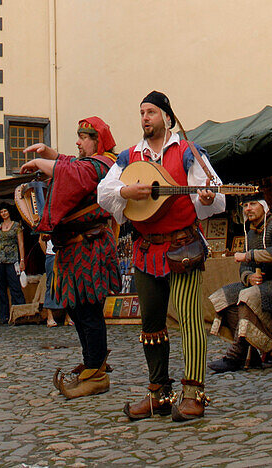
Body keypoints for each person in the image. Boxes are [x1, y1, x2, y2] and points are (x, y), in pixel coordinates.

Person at [98, 91, 225, 422]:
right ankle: (158, 394)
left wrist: (208, 199)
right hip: (145, 249)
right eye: (141, 112)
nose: (145, 118)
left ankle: (194, 394)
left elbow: (212, 193)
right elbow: (104, 192)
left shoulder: (186, 151)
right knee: (151, 323)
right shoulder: (130, 155)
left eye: (151, 112)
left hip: (182, 247)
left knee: (188, 319)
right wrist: (126, 192)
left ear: (167, 117)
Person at [21, 116, 121, 398]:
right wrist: (51, 155)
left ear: (97, 141)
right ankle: (92, 364)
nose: (78, 141)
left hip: (89, 248)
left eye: (83, 137)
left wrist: (44, 164)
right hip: (73, 249)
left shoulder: (106, 164)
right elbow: (73, 166)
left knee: (88, 309)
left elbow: (78, 174)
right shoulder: (89, 163)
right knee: (77, 309)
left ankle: (96, 372)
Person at [209, 196, 272, 372]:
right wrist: (249, 277)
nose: (248, 209)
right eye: (245, 205)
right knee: (225, 295)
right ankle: (250, 351)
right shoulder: (251, 232)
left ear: (264, 206)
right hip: (263, 283)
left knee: (248, 296)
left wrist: (248, 255)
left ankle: (236, 354)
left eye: (253, 204)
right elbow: (245, 268)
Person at [0, 205, 25, 325]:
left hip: (12, 259)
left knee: (15, 286)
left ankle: (20, 313)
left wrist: (22, 260)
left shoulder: (16, 226)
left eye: (5, 211)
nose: (3, 213)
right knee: (1, 289)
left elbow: (21, 244)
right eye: (1, 212)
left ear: (9, 212)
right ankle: (3, 315)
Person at [40, 237, 61, 327]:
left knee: (66, 284)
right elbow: (41, 241)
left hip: (64, 253)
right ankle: (50, 316)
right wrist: (47, 253)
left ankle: (68, 316)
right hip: (52, 254)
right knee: (51, 284)